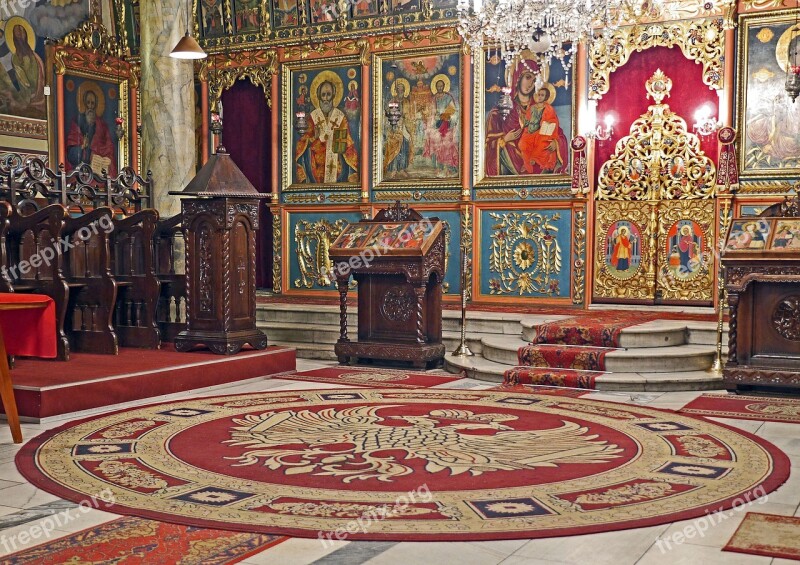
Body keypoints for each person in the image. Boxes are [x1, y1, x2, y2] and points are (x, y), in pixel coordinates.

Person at [485, 59, 568, 176]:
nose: (531, 84)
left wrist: (556, 144)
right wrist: (504, 140)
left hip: (539, 161)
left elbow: (558, 134)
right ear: (518, 78)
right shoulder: (501, 111)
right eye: (528, 77)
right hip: (512, 162)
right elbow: (488, 144)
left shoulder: (543, 109)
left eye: (535, 81)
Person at [294, 77, 359, 184]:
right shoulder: (312, 117)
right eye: (323, 95)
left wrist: (356, 169)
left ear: (333, 96)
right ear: (319, 96)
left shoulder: (340, 117)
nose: (325, 98)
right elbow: (302, 142)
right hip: (316, 168)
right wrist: (314, 137)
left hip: (337, 168)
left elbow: (348, 144)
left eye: (328, 94)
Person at [66, 83, 117, 177]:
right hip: (81, 170)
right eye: (88, 102)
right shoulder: (77, 121)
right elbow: (70, 152)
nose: (90, 106)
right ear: (84, 103)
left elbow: (109, 147)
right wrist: (81, 146)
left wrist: (108, 159)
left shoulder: (102, 125)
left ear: (96, 105)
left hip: (98, 170)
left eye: (92, 103)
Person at [0, 20, 46, 119]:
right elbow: (21, 76)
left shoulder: (34, 55)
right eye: (17, 33)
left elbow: (41, 68)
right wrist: (29, 89)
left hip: (40, 90)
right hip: (28, 92)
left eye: (22, 31)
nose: (20, 34)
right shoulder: (16, 58)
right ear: (14, 37)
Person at [423, 76, 459, 177]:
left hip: (447, 125)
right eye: (437, 86)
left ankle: (448, 168)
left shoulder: (448, 97)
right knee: (437, 144)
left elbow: (453, 111)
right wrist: (434, 116)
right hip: (436, 125)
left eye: (441, 86)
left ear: (444, 86)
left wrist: (446, 116)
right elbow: (430, 112)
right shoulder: (433, 98)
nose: (439, 88)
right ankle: (439, 167)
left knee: (447, 145)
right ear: (435, 87)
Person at [383, 78, 414, 179]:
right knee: (393, 147)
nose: (400, 90)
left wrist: (407, 123)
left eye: (401, 89)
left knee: (404, 148)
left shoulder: (406, 101)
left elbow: (409, 115)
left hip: (404, 127)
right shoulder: (392, 101)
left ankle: (401, 169)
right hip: (394, 127)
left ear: (404, 90)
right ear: (396, 90)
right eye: (398, 89)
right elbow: (389, 113)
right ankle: (393, 169)